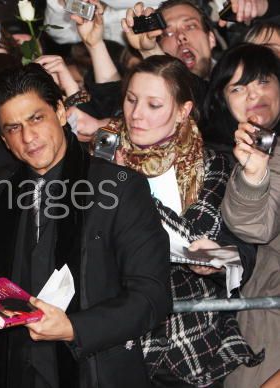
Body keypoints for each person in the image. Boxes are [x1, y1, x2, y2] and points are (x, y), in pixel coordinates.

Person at [0, 63, 171, 387]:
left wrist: (75, 327)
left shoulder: (118, 187)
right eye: (13, 128)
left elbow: (152, 297)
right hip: (13, 372)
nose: (28, 137)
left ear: (61, 113)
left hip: (93, 371)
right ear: (5, 141)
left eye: (36, 118)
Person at [109, 55, 261, 386]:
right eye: (131, 100)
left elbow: (235, 249)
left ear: (183, 111)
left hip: (191, 339)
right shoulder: (104, 159)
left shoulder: (213, 165)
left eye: (153, 104)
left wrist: (215, 259)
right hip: (119, 335)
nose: (136, 115)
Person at [216, 44, 280, 388]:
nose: (253, 94)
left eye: (262, 81)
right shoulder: (220, 158)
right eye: (238, 88)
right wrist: (254, 173)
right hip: (259, 324)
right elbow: (256, 226)